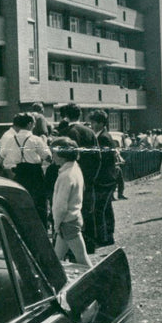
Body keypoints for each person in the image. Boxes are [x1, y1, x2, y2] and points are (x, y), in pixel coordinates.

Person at [56, 103, 99, 253]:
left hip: (72, 177)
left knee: (72, 213)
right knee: (88, 211)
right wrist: (91, 178)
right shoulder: (90, 132)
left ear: (65, 116)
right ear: (79, 115)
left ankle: (74, 250)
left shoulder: (67, 133)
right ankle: (89, 245)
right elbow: (97, 157)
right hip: (87, 178)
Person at [0, 112, 51, 222]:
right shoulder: (35, 139)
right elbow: (48, 157)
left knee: (22, 205)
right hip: (34, 174)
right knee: (39, 205)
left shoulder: (11, 139)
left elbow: (1, 157)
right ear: (30, 124)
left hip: (19, 173)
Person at [50, 137, 91, 267]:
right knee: (57, 258)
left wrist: (56, 224)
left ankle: (99, 284)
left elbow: (60, 206)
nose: (52, 157)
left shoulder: (65, 176)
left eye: (54, 153)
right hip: (72, 219)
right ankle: (55, 283)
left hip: (67, 222)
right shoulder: (75, 169)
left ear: (62, 156)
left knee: (82, 260)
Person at [89, 109, 119, 247]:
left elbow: (102, 161)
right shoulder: (104, 136)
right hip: (109, 178)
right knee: (106, 208)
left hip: (104, 179)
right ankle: (109, 235)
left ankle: (103, 237)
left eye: (94, 122)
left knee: (99, 209)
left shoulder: (103, 138)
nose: (92, 125)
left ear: (101, 123)